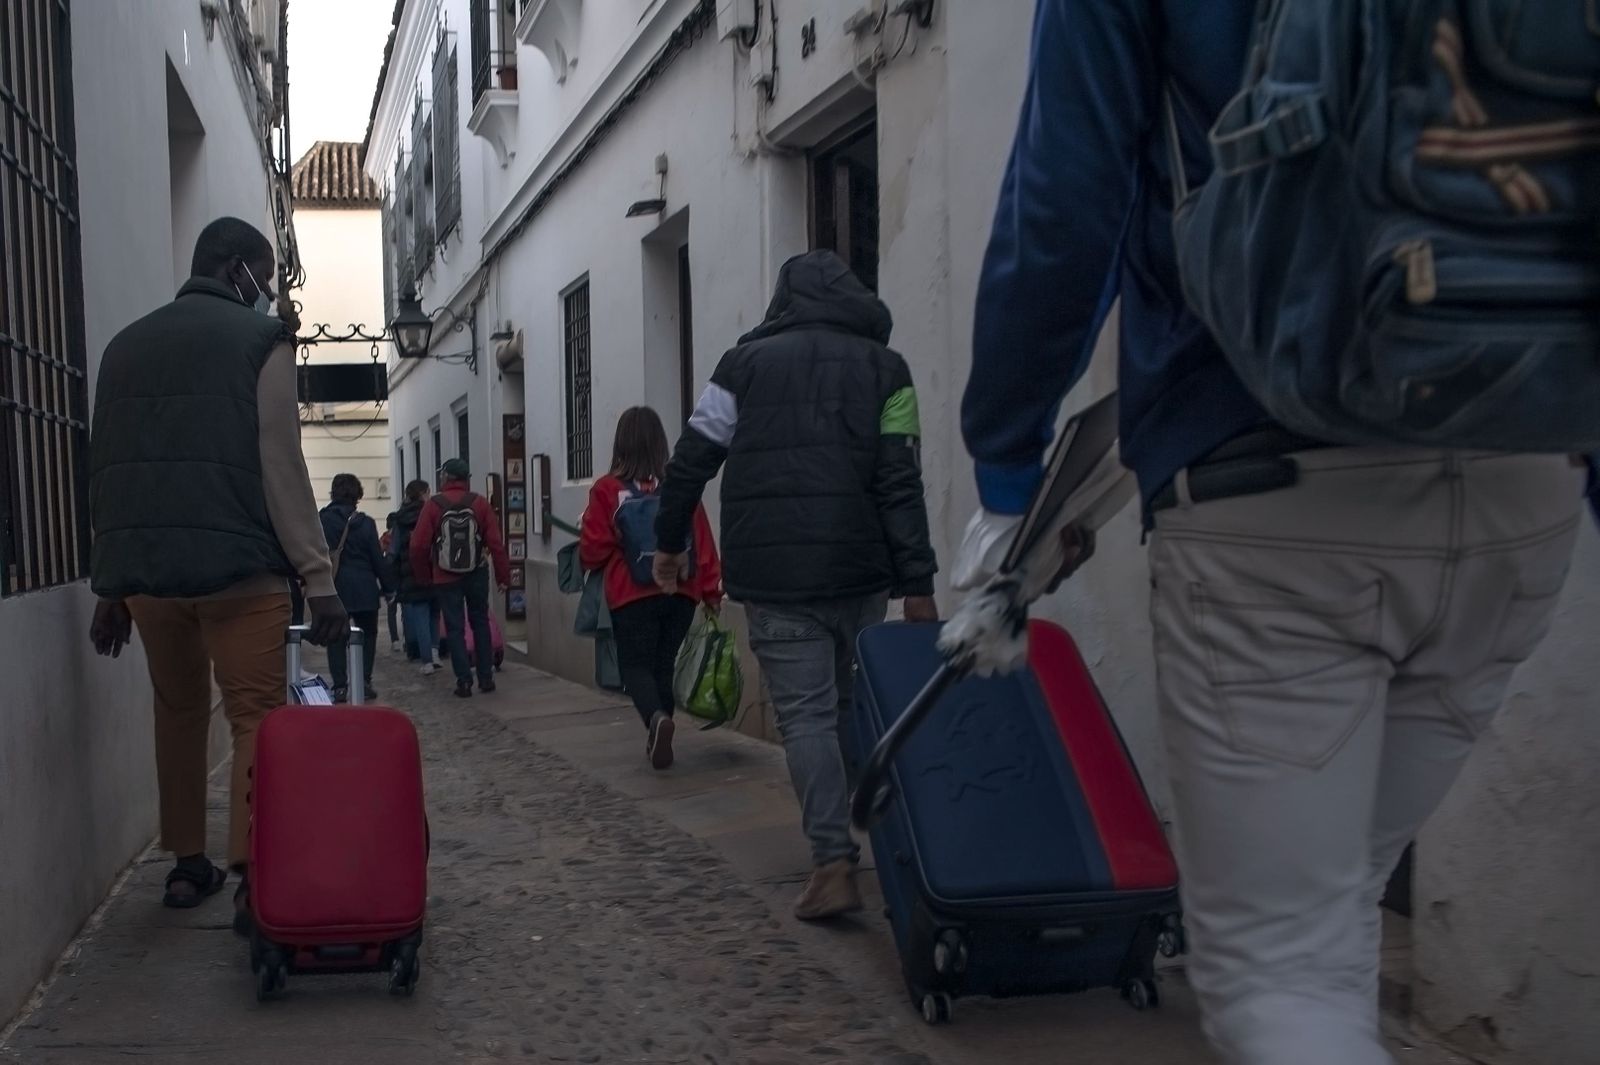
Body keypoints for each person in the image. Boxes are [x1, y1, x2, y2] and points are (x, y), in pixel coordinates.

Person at [953, 6, 1587, 1063]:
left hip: (1268, 481)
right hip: (1526, 483)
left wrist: (1006, 471)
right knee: (1331, 912)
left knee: (1284, 972)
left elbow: (1063, 203)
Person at [654, 249, 939, 921]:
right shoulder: (888, 371)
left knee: (807, 715)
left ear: (784, 301)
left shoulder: (742, 366)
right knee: (851, 706)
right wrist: (918, 583)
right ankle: (912, 842)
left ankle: (833, 862)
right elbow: (901, 481)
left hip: (777, 576)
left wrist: (668, 544)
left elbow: (691, 459)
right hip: (862, 571)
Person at [86, 216, 347, 930]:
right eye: (266, 277)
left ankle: (186, 864)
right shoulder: (260, 342)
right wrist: (317, 577)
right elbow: (280, 460)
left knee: (176, 712)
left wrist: (111, 583)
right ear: (238, 270)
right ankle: (251, 868)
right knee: (255, 716)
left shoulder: (123, 347)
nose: (270, 295)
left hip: (150, 581)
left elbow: (111, 466)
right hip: (241, 573)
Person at [581, 407, 722, 770]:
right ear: (661, 443)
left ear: (621, 444)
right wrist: (710, 592)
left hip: (632, 594)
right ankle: (660, 736)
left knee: (635, 666)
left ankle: (657, 721)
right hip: (681, 591)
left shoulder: (606, 490)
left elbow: (592, 552)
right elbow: (703, 542)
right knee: (663, 664)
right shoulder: (679, 487)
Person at [410, 458, 510, 698]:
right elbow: (496, 543)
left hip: (445, 575)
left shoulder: (434, 505)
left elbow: (418, 545)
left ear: (445, 478)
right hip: (476, 571)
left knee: (454, 627)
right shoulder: (480, 503)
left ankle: (463, 681)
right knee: (480, 622)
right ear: (467, 480)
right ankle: (485, 678)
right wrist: (503, 576)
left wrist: (425, 576)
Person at [319, 474, 394, 702]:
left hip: (335, 586)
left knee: (336, 636)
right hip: (364, 587)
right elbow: (376, 558)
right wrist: (389, 587)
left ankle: (340, 686)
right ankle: (363, 681)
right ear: (357, 495)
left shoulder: (322, 520)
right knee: (367, 635)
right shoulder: (366, 522)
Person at [390, 480, 443, 674]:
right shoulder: (432, 512)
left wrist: (394, 578)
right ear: (424, 493)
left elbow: (393, 550)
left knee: (420, 614)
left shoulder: (400, 518)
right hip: (434, 569)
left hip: (410, 572)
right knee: (435, 613)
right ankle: (435, 652)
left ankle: (426, 661)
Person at [382, 512, 402, 653]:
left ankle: (395, 639)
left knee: (391, 609)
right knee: (406, 608)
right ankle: (407, 638)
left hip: (389, 576)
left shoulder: (385, 538)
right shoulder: (401, 535)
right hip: (402, 574)